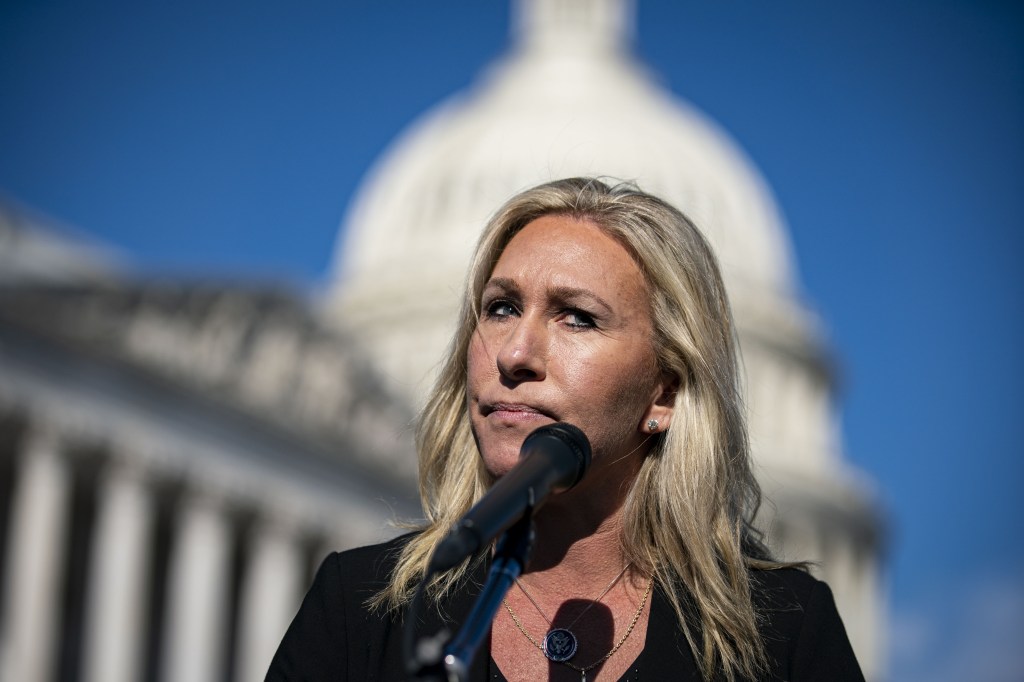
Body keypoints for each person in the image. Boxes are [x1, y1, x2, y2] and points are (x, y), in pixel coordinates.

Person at [267, 178, 864, 681]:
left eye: (577, 318)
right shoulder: (362, 608)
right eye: (500, 307)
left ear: (667, 392)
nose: (516, 353)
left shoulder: (781, 633)